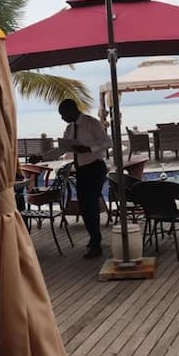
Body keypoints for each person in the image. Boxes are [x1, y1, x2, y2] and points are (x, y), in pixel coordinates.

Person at [58, 98, 112, 259]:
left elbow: (107, 142)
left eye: (63, 114)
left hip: (95, 167)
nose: (62, 118)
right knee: (84, 205)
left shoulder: (91, 123)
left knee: (90, 205)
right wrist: (42, 156)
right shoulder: (69, 128)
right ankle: (94, 237)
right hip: (81, 170)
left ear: (72, 110)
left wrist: (89, 149)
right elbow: (62, 148)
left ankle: (96, 243)